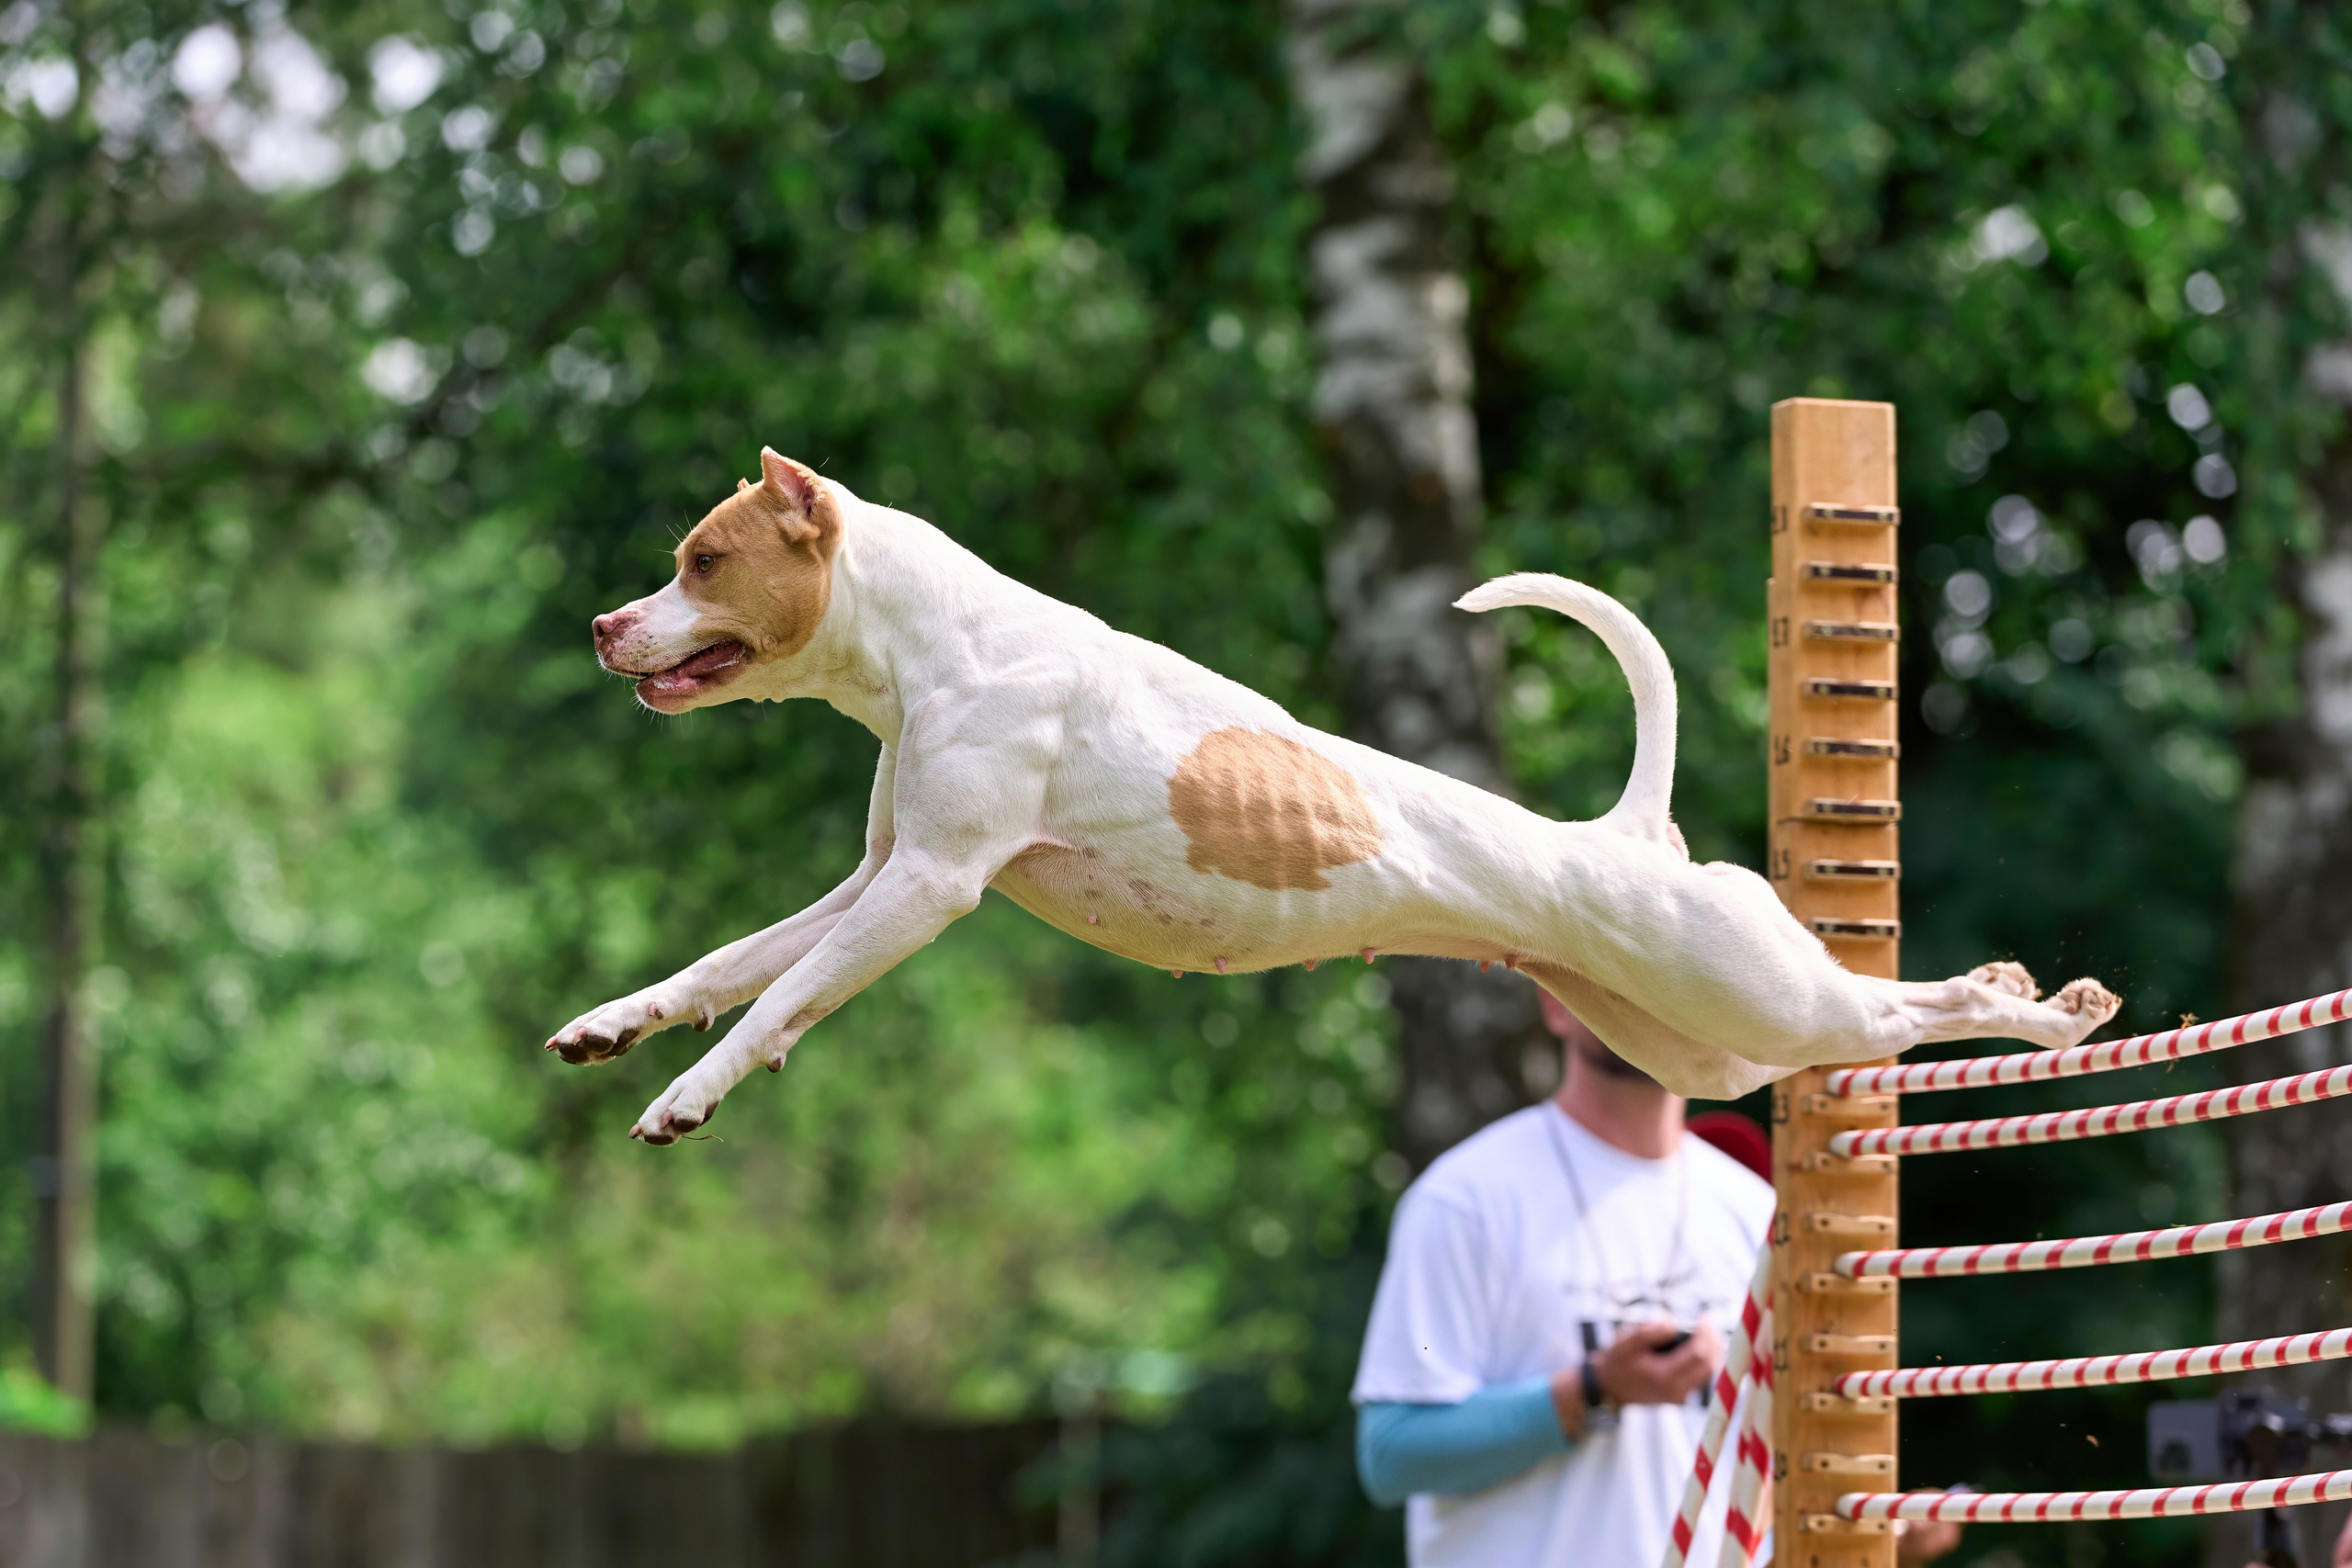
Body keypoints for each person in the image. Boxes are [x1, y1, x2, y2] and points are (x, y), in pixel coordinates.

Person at [1351, 988, 1962, 1565]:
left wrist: (1872, 1534)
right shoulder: (1466, 1199)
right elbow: (1392, 1452)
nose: (1645, 993)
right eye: (1613, 974)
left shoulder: (1759, 1213)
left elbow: (1764, 1487)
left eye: (1664, 972)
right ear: (1554, 1002)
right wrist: (1593, 1390)